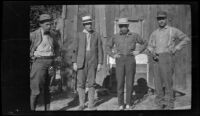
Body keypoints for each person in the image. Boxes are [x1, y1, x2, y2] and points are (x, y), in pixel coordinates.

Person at [147, 11, 190, 110]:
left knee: (167, 82)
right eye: (159, 19)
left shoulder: (172, 30)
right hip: (156, 58)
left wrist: (176, 48)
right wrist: (152, 51)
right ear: (157, 20)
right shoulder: (154, 33)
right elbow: (149, 46)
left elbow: (186, 39)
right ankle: (159, 103)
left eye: (163, 18)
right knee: (157, 82)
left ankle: (170, 103)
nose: (161, 21)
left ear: (166, 19)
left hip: (167, 58)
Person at [106, 18, 147, 110]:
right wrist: (113, 55)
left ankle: (128, 103)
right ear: (119, 27)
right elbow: (107, 47)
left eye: (125, 26)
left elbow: (145, 43)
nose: (123, 28)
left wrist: (139, 51)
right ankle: (121, 104)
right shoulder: (115, 36)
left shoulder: (134, 35)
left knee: (129, 82)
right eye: (121, 26)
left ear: (128, 26)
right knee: (120, 82)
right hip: (120, 60)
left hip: (130, 59)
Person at [30, 14, 61, 111]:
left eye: (50, 24)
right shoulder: (33, 35)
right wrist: (31, 56)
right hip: (39, 63)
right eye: (47, 24)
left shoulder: (52, 34)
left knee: (48, 89)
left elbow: (57, 47)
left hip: (50, 63)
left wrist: (55, 57)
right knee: (36, 90)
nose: (50, 26)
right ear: (41, 24)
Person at [72, 15, 103, 110]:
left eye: (90, 23)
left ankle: (91, 105)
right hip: (81, 61)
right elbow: (75, 50)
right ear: (84, 25)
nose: (89, 25)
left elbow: (100, 50)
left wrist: (100, 63)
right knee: (80, 83)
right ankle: (81, 104)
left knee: (91, 83)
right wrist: (74, 62)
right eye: (87, 24)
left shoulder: (96, 35)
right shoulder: (78, 35)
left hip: (93, 61)